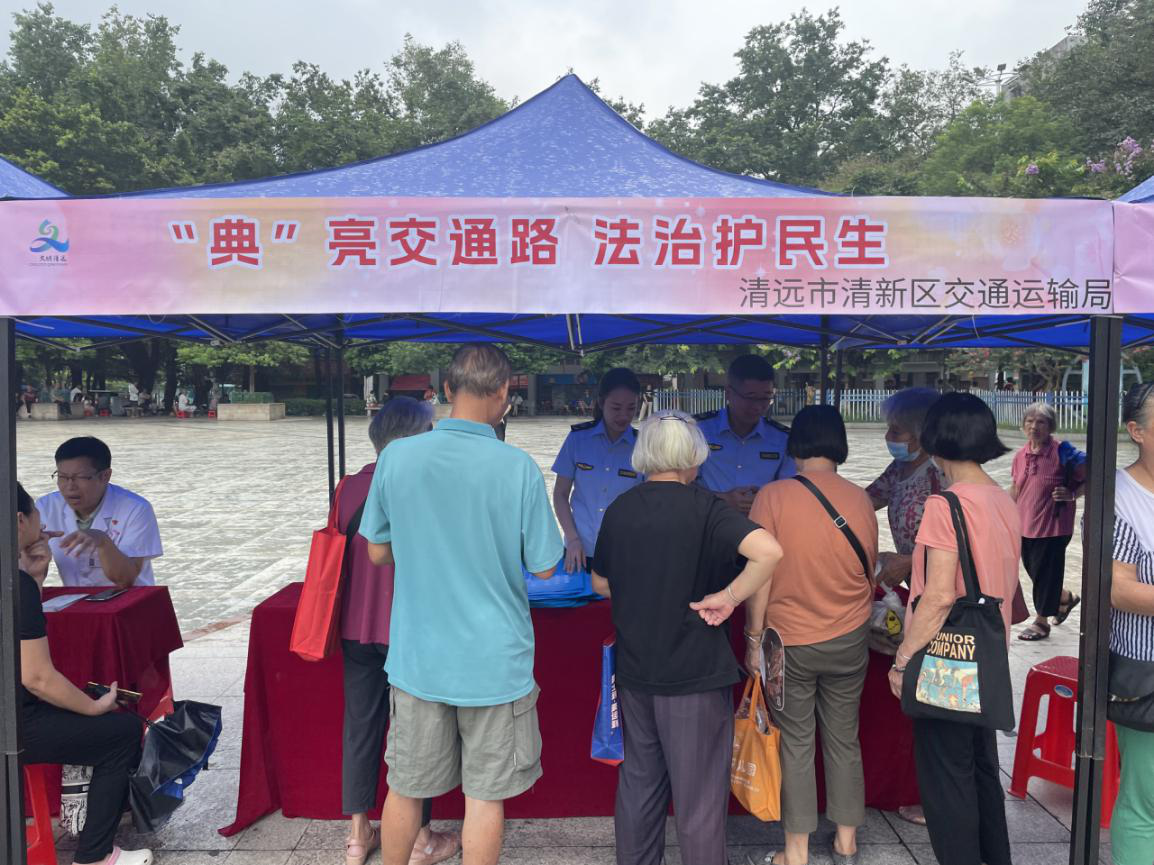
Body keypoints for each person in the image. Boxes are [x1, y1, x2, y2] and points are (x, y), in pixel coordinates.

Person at [359, 344, 564, 865]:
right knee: (485, 797)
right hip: (495, 662)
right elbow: (545, 566)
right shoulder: (517, 467)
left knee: (405, 787)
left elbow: (378, 551)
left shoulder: (397, 457)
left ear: (447, 389)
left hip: (419, 657)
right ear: (505, 393)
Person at [591, 410, 783, 865]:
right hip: (695, 675)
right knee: (698, 799)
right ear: (693, 458)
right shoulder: (707, 508)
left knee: (639, 785)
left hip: (636, 670)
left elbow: (600, 582)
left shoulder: (621, 508)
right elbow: (769, 551)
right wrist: (729, 597)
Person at [887, 392, 1017, 865]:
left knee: (946, 779)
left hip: (947, 659)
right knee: (981, 771)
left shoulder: (946, 505)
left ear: (934, 439)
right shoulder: (1002, 498)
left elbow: (939, 595)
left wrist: (903, 660)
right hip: (988, 653)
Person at [747, 405, 878, 865]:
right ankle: (846, 842)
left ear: (794, 444)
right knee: (844, 738)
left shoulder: (772, 496)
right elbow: (869, 566)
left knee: (796, 743)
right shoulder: (860, 499)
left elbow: (759, 576)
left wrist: (753, 636)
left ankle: (796, 852)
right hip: (849, 636)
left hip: (789, 642)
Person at [335, 397, 460, 865]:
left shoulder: (348, 487)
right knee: (415, 734)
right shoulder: (425, 485)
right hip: (409, 626)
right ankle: (421, 838)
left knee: (360, 726)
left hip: (354, 625)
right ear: (416, 436)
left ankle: (357, 835)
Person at [17, 481, 154, 865]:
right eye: (36, 514)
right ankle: (95, 855)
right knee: (121, 731)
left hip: (17, 710)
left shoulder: (20, 583)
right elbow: (37, 678)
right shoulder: (14, 586)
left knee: (81, 702)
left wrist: (35, 577)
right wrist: (93, 708)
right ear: (19, 520)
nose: (42, 522)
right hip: (16, 723)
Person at [1109, 382, 1154, 865]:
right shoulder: (1119, 497)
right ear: (1136, 431)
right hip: (1147, 673)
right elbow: (1118, 590)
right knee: (1147, 798)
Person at [36, 436, 163, 588]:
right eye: (62, 477)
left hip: (131, 598)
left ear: (105, 476)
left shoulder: (136, 509)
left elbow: (125, 579)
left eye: (81, 477)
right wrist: (34, 553)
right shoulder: (46, 506)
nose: (70, 486)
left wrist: (102, 541)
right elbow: (33, 575)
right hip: (75, 598)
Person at [552, 368, 643, 573]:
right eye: (616, 407)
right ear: (601, 403)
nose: (624, 415)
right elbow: (560, 494)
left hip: (624, 553)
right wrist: (572, 539)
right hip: (579, 551)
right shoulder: (578, 439)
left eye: (631, 408)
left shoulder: (643, 446)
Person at [1010, 402, 1085, 641]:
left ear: (1050, 426)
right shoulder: (1020, 455)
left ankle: (1041, 622)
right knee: (1035, 571)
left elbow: (1093, 474)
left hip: (1053, 526)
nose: (1034, 426)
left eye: (1041, 422)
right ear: (1023, 426)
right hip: (1024, 525)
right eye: (1030, 421)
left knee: (1044, 573)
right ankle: (1064, 598)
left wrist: (1072, 494)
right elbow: (1015, 489)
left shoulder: (1063, 452)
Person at [696, 354, 796, 515]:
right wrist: (723, 499)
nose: (758, 406)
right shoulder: (698, 431)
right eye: (750, 398)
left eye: (766, 398)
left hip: (761, 525)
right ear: (728, 393)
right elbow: (681, 486)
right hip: (708, 523)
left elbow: (788, 491)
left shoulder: (782, 439)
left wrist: (764, 499)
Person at [867, 388, 945, 587]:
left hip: (944, 582)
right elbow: (866, 501)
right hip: (916, 583)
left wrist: (909, 561)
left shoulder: (941, 473)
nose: (887, 436)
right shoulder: (898, 468)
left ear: (922, 434)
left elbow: (961, 538)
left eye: (896, 431)